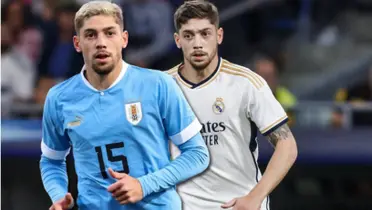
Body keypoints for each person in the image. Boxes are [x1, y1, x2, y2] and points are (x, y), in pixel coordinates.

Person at [39, 1, 209, 210]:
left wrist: (143, 185)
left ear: (124, 39)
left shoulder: (157, 85)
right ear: (77, 43)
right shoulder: (59, 98)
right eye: (91, 35)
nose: (101, 42)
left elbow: (197, 154)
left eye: (109, 33)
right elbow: (51, 161)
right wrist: (58, 196)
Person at [167, 1, 298, 210]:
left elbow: (287, 147)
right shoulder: (159, 87)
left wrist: (255, 198)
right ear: (177, 40)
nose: (197, 43)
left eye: (205, 34)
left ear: (219, 36)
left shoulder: (246, 83)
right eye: (189, 35)